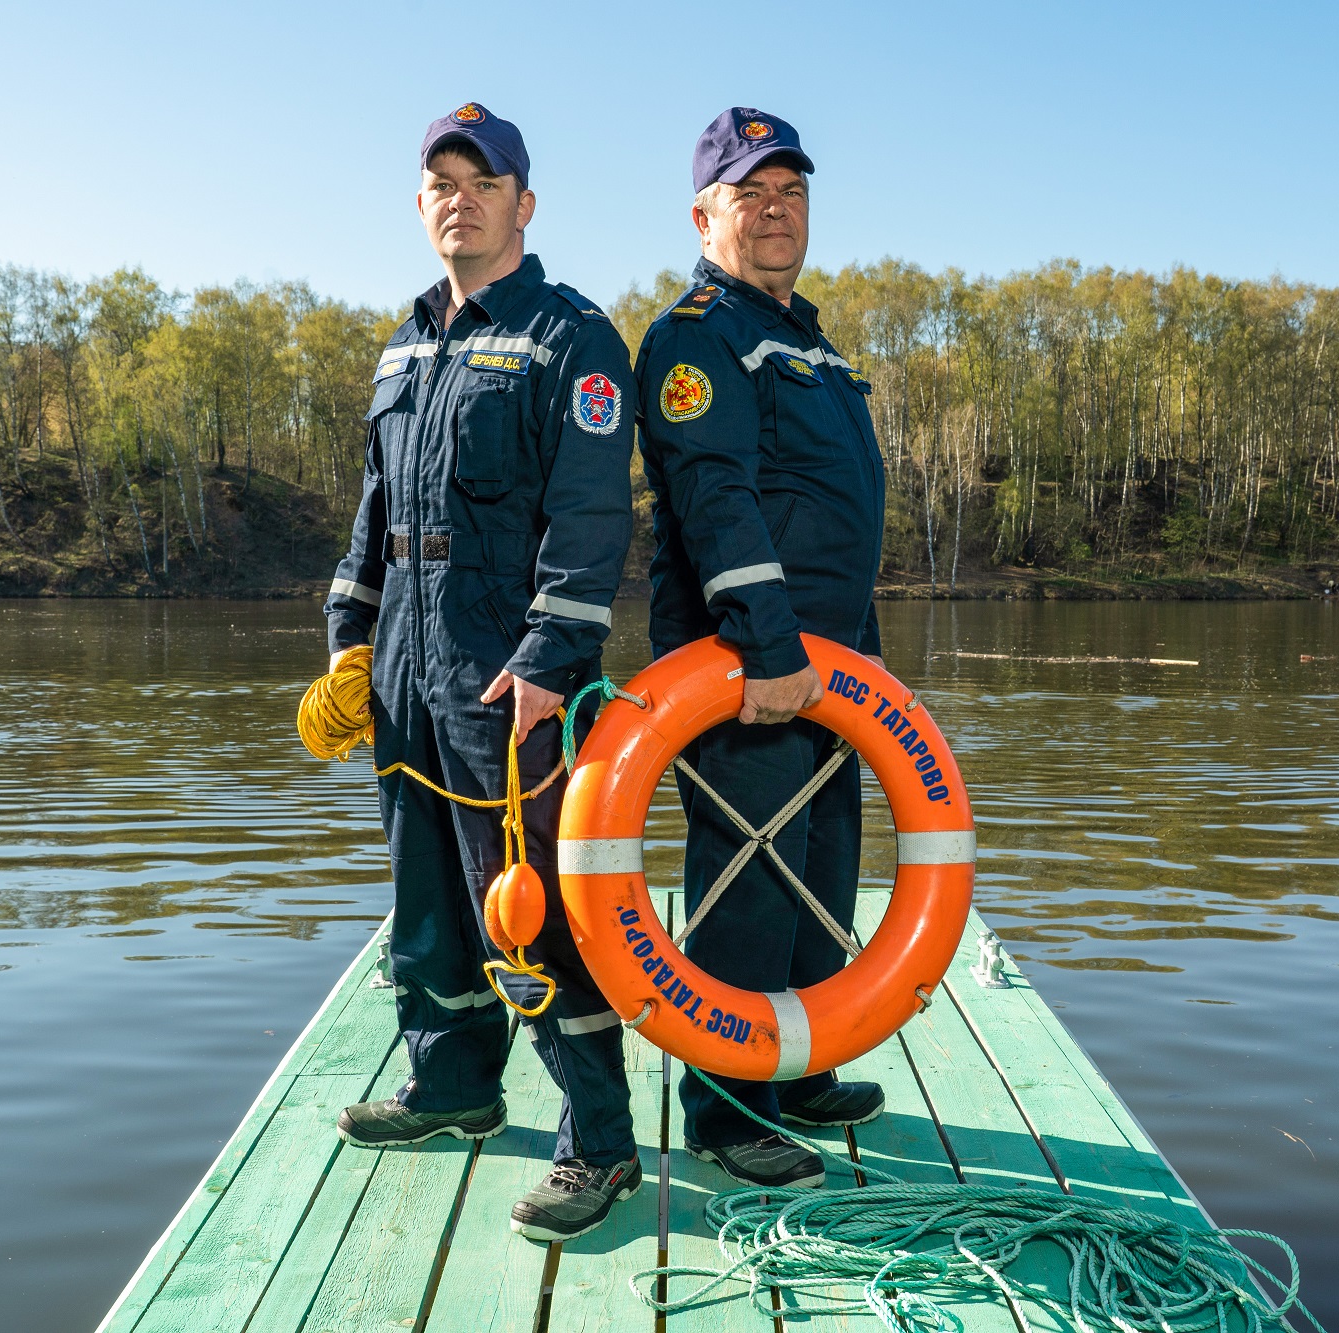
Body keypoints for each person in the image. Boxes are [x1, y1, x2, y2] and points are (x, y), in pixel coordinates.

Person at [327, 102, 639, 1242]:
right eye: (439, 181)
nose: (458, 196)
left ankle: (596, 1140)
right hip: (404, 654)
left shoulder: (571, 338)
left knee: (535, 907)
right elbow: (374, 508)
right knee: (425, 897)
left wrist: (552, 654)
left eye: (481, 179)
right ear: (421, 206)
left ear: (523, 204)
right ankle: (454, 1083)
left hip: (507, 666)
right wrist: (346, 635)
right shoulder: (402, 343)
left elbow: (593, 512)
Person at [632, 107, 888, 1189]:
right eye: (750, 193)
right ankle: (728, 1107)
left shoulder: (808, 339)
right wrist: (769, 649)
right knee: (745, 880)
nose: (775, 210)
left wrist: (862, 670)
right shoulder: (698, 334)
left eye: (790, 192)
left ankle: (795, 1070)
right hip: (748, 666)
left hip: (833, 665)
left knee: (823, 865)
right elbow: (715, 502)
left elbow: (836, 516)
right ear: (704, 214)